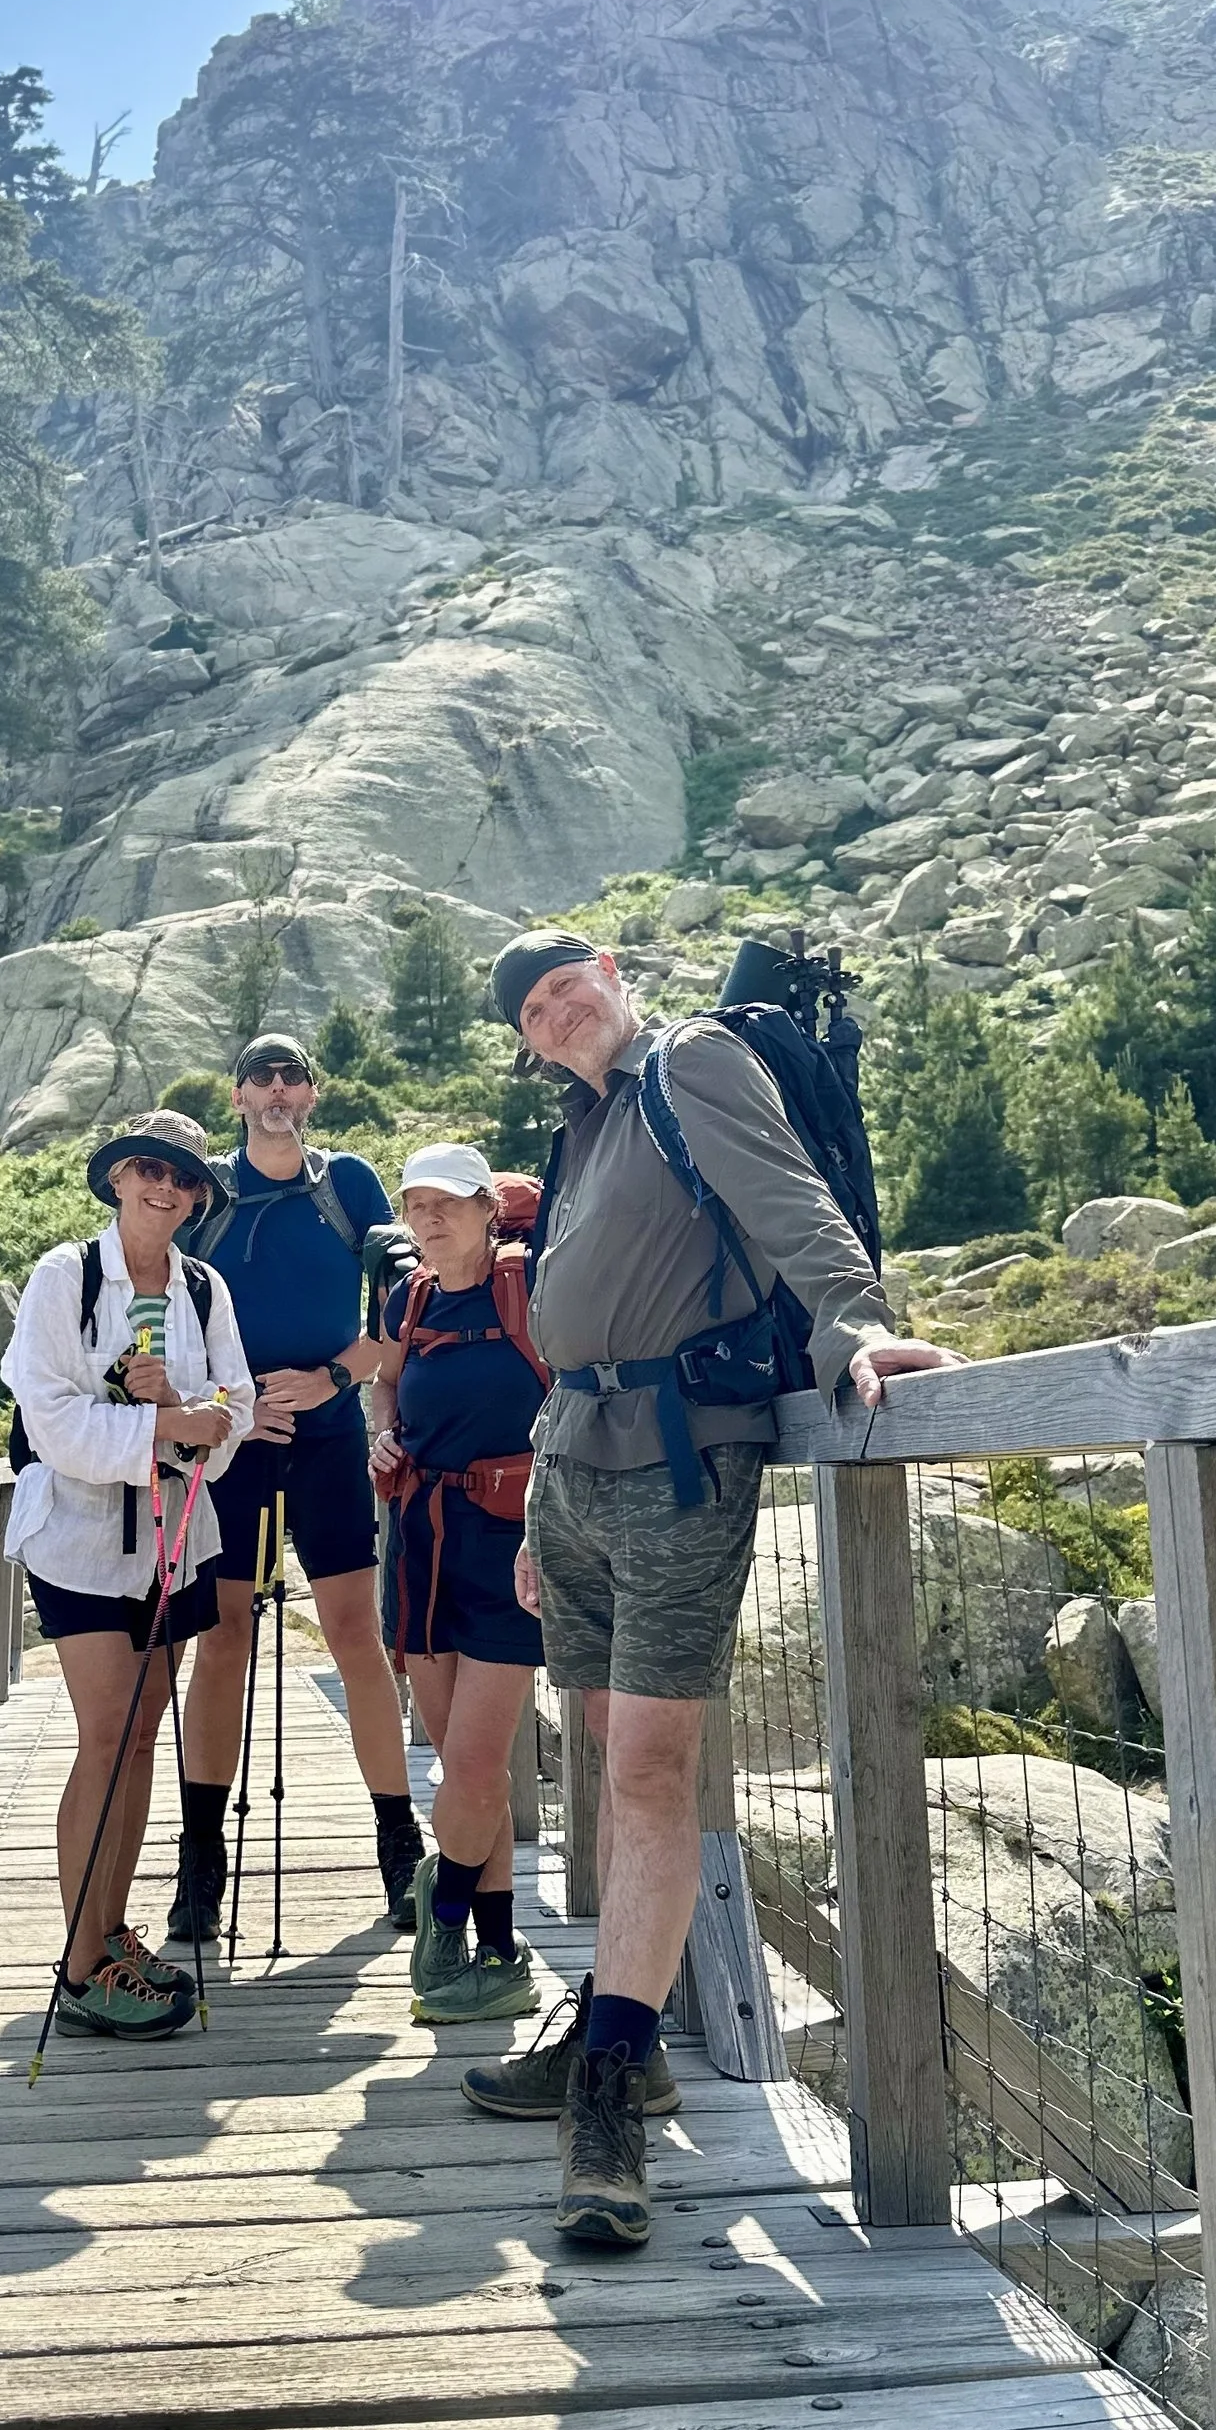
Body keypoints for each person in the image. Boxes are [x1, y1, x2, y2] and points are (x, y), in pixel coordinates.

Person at [466, 930, 958, 2248]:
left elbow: (792, 1205)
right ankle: (620, 2025)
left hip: (681, 1464)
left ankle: (613, 2090)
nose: (558, 1012)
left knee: (645, 1768)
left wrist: (853, 1327)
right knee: (605, 1766)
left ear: (612, 972)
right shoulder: (588, 1125)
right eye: (534, 1009)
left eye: (568, 986)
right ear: (527, 1040)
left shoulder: (691, 1061)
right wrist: (541, 1490)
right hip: (572, 1462)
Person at [3, 1109, 255, 2040]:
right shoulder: (62, 1278)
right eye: (149, 1168)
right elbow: (52, 1420)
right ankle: (78, 1966)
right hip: (76, 1537)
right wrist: (164, 1425)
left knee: (146, 1727)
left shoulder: (202, 1286)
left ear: (196, 1196)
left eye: (184, 1178)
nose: (165, 1187)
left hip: (171, 1536)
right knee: (109, 1730)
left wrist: (192, 1412)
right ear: (118, 1179)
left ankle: (108, 1931)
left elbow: (238, 1398)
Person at [170, 1033, 420, 1937]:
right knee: (223, 1639)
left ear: (312, 1092)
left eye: (293, 1075)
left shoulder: (349, 1183)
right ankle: (200, 1862)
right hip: (232, 1445)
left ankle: (400, 1846)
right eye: (262, 1076)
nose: (278, 1089)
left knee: (357, 1634)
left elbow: (399, 1313)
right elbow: (171, 1314)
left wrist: (330, 1381)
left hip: (324, 1436)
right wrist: (232, 1405)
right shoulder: (207, 1190)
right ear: (237, 1093)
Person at [370, 1142, 548, 2024]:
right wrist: (383, 1431)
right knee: (464, 1775)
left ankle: (442, 1926)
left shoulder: (534, 1289)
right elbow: (387, 1384)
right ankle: (504, 1953)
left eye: (446, 1203)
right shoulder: (409, 1300)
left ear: (486, 1207)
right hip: (422, 1543)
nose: (429, 1220)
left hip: (514, 1549)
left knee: (474, 1764)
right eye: (415, 1205)